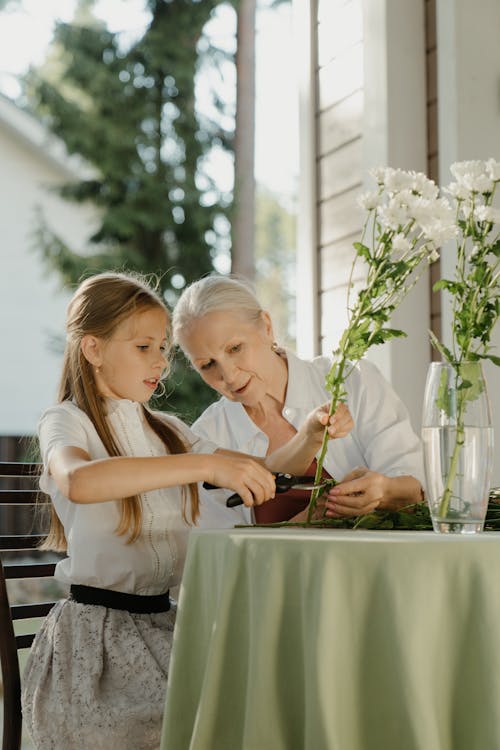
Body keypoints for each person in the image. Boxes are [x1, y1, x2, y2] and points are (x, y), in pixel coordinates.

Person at [21, 271, 349, 750]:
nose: (161, 363)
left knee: (262, 701)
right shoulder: (67, 421)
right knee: (197, 725)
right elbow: (80, 480)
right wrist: (198, 464)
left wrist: (312, 435)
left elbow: (263, 469)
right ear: (93, 349)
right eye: (144, 347)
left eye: (163, 350)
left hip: (166, 627)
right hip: (97, 647)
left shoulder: (168, 429)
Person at [172, 274, 425, 527]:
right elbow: (221, 550)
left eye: (235, 348)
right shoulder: (206, 438)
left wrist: (384, 491)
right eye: (207, 365)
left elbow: (417, 487)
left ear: (266, 327)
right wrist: (308, 521)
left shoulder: (353, 381)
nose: (227, 375)